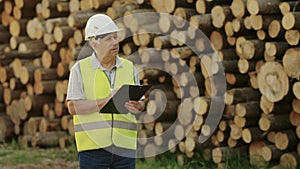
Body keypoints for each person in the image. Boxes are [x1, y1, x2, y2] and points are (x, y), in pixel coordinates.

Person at [66, 14, 144, 169]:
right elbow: (73, 107)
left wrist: (138, 104)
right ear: (94, 43)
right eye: (108, 39)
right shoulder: (80, 69)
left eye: (115, 37)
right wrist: (105, 101)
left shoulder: (129, 67)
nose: (115, 42)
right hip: (93, 148)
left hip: (125, 147)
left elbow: (140, 103)